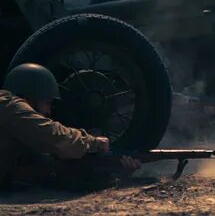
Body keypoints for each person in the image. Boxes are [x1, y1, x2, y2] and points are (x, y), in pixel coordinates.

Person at [0, 63, 140, 189]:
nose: (48, 112)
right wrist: (93, 142)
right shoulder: (9, 106)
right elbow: (54, 138)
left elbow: (44, 173)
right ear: (30, 96)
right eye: (47, 102)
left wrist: (116, 172)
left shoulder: (13, 133)